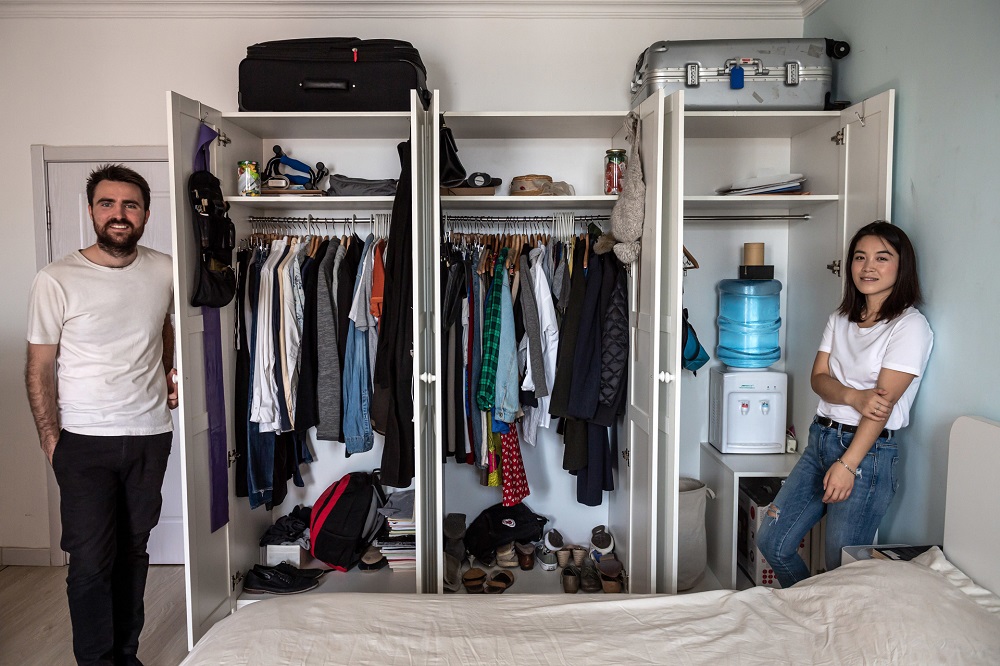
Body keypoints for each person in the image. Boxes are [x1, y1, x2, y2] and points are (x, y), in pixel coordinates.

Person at [24, 164, 178, 666]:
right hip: (84, 439)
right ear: (91, 211)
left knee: (134, 553)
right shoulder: (57, 278)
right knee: (91, 562)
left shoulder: (165, 269)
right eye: (108, 204)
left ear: (146, 214)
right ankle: (96, 661)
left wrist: (169, 375)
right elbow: (40, 365)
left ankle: (125, 655)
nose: (119, 214)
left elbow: (166, 330)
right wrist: (52, 439)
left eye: (130, 205)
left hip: (150, 434)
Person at [757, 221, 933, 588]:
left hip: (865, 454)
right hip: (820, 440)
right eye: (860, 257)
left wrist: (848, 466)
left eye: (882, 258)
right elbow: (817, 379)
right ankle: (811, 611)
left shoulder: (909, 326)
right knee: (772, 541)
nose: (868, 267)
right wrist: (853, 395)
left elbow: (880, 407)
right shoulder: (841, 318)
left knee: (843, 567)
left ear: (902, 267)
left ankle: (832, 626)